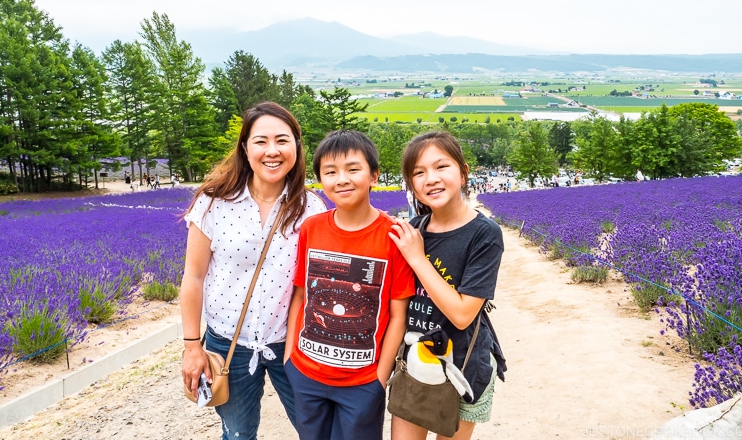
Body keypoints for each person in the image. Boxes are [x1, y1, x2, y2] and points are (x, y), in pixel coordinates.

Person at [180, 102, 327, 440]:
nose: (271, 151)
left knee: (317, 431)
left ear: (296, 147)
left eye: (282, 140)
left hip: (291, 344)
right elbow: (194, 276)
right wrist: (191, 347)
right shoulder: (214, 202)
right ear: (245, 148)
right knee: (237, 434)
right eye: (261, 141)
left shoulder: (312, 210)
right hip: (228, 342)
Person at [283, 130, 415, 440]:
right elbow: (301, 295)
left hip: (362, 383)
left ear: (374, 175)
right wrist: (290, 358)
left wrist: (379, 379)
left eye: (353, 169)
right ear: (320, 180)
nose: (341, 179)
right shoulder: (312, 228)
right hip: (306, 373)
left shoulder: (394, 235)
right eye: (330, 172)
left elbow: (398, 314)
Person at [389, 131, 506, 440]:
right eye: (418, 172)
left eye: (441, 166)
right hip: (414, 365)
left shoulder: (484, 234)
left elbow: (462, 314)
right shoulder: (413, 229)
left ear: (463, 172)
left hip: (464, 366)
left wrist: (417, 259)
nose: (431, 178)